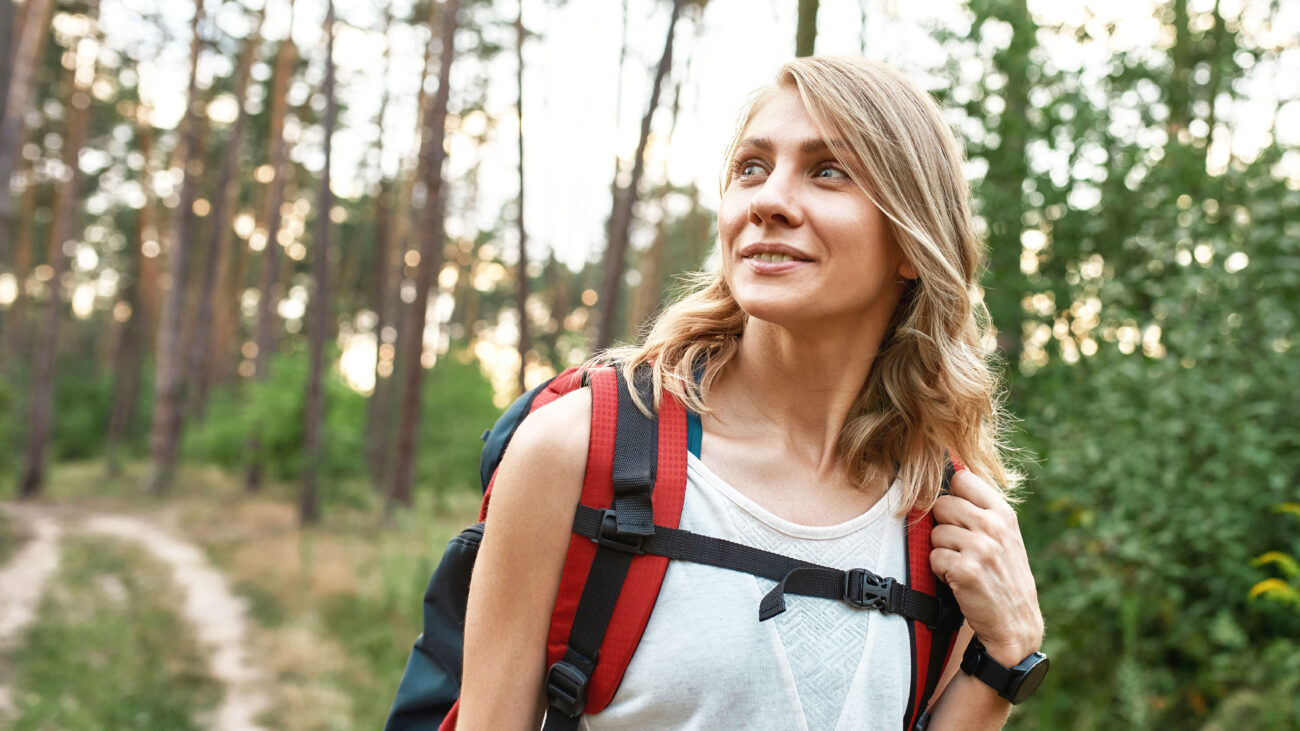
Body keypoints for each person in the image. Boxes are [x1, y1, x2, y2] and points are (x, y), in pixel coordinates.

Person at [458, 56, 1044, 730]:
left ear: (912, 244)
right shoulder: (578, 448)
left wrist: (1005, 658)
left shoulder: (944, 516)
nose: (768, 200)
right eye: (752, 168)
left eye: (828, 170)